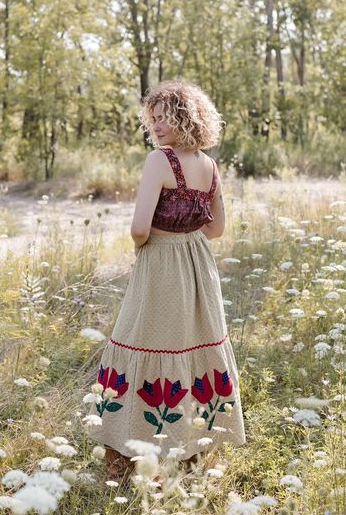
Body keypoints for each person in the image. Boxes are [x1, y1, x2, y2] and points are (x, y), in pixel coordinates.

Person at [86, 80, 246, 485]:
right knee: (193, 348)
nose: (156, 127)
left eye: (164, 119)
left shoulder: (161, 161)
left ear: (184, 118)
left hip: (160, 264)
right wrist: (187, 236)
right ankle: (189, 457)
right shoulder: (209, 165)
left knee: (141, 342)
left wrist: (149, 243)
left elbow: (139, 227)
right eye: (152, 119)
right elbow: (218, 229)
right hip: (197, 266)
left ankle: (125, 460)